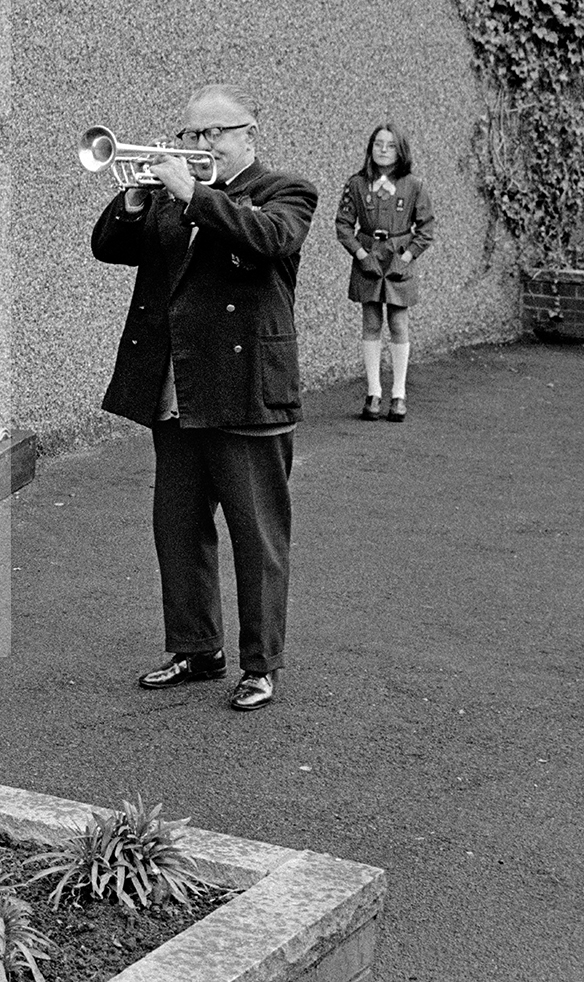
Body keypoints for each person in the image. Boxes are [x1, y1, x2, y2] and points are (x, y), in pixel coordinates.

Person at [90, 86, 318, 712]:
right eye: (190, 135)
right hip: (178, 386)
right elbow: (108, 248)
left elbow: (268, 240)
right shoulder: (168, 196)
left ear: (249, 134)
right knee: (179, 527)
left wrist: (195, 195)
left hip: (245, 389)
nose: (198, 145)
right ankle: (195, 648)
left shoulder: (286, 191)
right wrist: (134, 200)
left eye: (213, 133)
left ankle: (261, 664)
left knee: (257, 534)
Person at [335, 124, 435, 422]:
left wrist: (406, 257)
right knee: (371, 321)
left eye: (390, 146)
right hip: (369, 256)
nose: (382, 150)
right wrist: (361, 254)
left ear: (400, 150)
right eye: (378, 144)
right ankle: (373, 392)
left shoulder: (413, 185)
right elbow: (343, 224)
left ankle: (399, 394)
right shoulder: (356, 184)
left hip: (398, 259)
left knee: (398, 322)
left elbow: (426, 229)